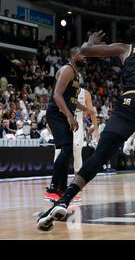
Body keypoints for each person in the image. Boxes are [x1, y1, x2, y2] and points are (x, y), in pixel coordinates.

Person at [37, 10, 135, 231]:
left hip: (130, 101)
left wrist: (89, 43)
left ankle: (64, 199)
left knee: (100, 154)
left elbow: (86, 52)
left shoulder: (125, 48)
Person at [43, 48, 89, 202]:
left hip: (65, 114)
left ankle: (61, 190)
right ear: (73, 55)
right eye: (82, 55)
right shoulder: (67, 70)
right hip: (57, 114)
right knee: (67, 149)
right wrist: (70, 117)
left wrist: (85, 110)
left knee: (67, 151)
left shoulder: (76, 74)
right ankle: (53, 188)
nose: (85, 58)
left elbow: (72, 100)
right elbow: (57, 95)